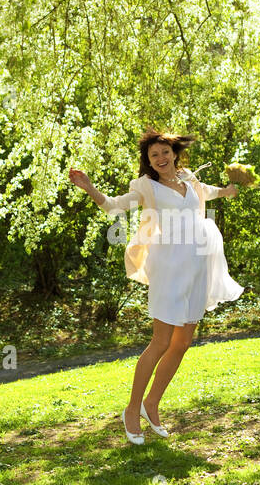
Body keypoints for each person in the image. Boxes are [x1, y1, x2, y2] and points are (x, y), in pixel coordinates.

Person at [69, 130, 243, 445]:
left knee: (182, 342)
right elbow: (113, 206)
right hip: (169, 266)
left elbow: (210, 193)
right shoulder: (147, 187)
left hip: (196, 266)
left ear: (174, 153)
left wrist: (230, 190)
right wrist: (90, 188)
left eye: (165, 152)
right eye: (154, 156)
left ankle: (152, 404)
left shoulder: (190, 180)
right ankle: (132, 409)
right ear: (148, 162)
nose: (161, 159)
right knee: (161, 341)